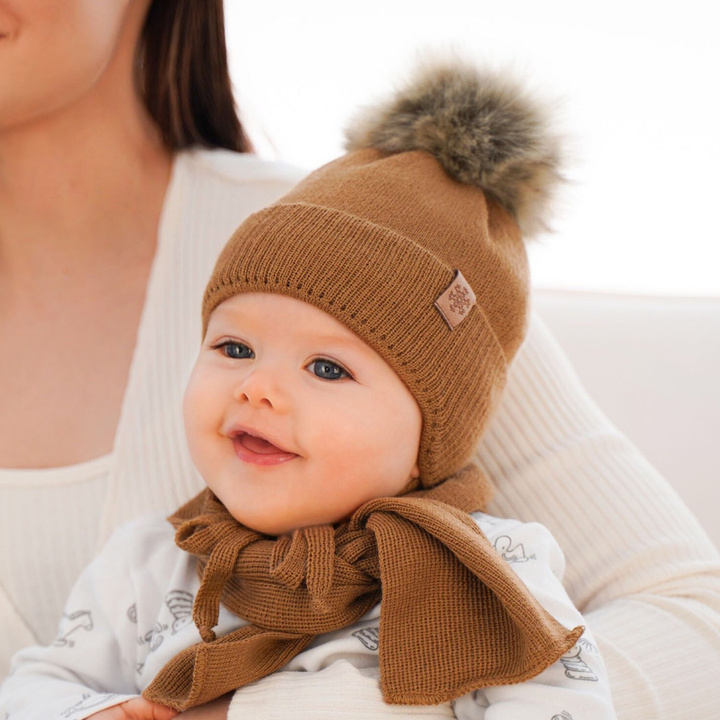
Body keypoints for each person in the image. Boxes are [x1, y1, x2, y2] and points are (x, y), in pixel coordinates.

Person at [0, 2, 717, 719]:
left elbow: (693, 631)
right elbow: (43, 682)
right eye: (233, 349)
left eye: (327, 369)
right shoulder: (157, 559)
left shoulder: (392, 236)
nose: (260, 388)